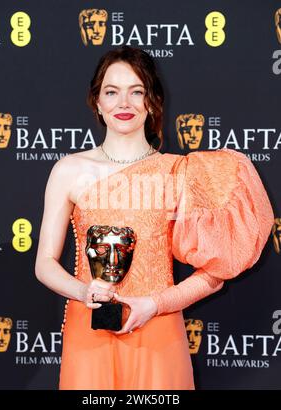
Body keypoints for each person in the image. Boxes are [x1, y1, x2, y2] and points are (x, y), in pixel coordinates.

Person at [34, 45, 274, 390]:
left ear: (152, 101)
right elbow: (44, 263)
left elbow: (215, 273)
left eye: (137, 92)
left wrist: (156, 303)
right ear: (97, 101)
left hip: (159, 329)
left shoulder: (178, 173)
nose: (124, 103)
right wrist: (84, 290)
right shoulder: (68, 171)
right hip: (89, 329)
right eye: (112, 92)